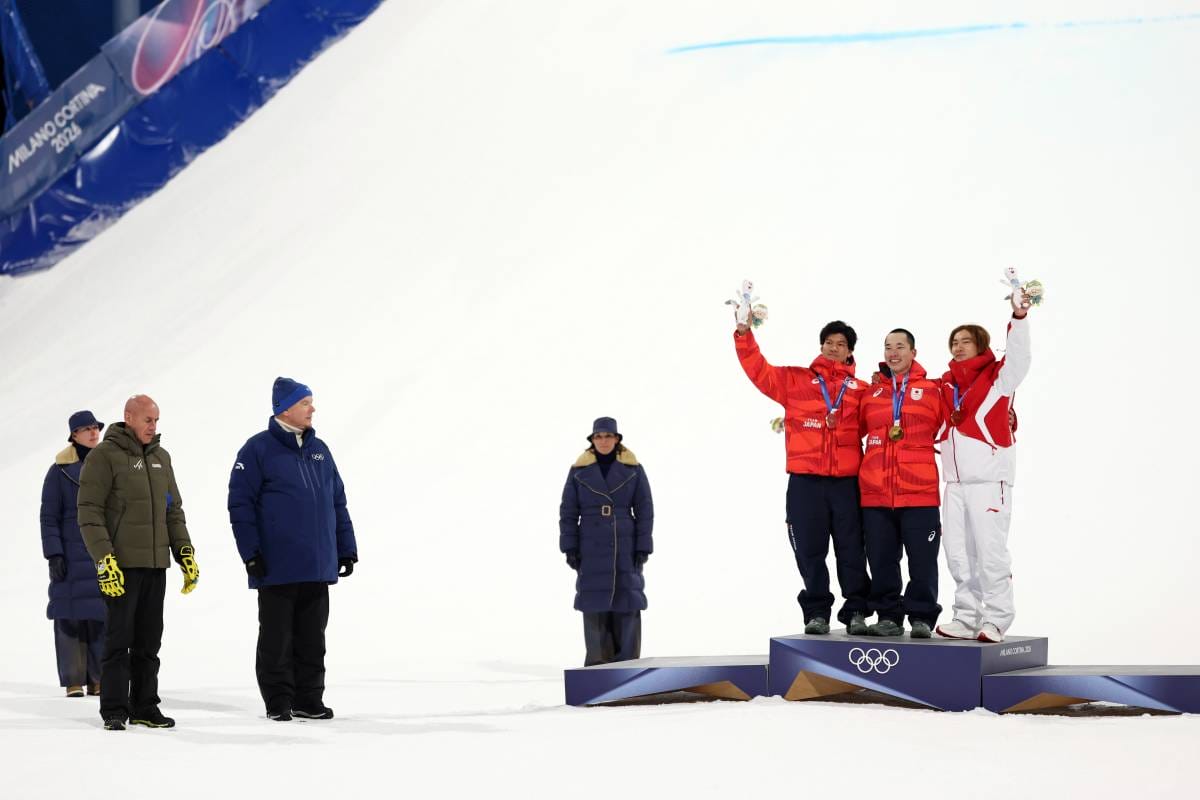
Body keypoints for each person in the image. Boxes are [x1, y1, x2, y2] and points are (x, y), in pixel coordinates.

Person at [228, 377, 358, 722]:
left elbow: (337, 502)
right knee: (277, 639)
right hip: (277, 565)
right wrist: (250, 553)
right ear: (284, 408)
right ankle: (278, 700)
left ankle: (309, 699)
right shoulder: (257, 450)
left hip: (317, 564)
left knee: (313, 639)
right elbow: (239, 505)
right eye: (305, 403)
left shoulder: (320, 450)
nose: (312, 408)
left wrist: (346, 548)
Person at [735, 319, 871, 635]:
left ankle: (856, 611)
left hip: (847, 483)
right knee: (809, 551)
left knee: (852, 550)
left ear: (850, 351)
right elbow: (759, 370)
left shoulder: (862, 391)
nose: (834, 348)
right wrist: (744, 335)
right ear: (821, 346)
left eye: (841, 344)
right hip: (805, 482)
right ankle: (817, 612)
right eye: (829, 342)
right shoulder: (795, 380)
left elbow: (882, 418)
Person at [78, 395, 199, 730]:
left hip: (155, 564)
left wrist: (184, 551)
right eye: (148, 419)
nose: (153, 426)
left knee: (149, 641)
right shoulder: (105, 456)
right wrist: (104, 559)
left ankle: (145, 706)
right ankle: (115, 709)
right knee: (119, 640)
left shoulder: (162, 458)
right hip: (121, 567)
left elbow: (172, 510)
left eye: (156, 420)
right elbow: (89, 511)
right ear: (128, 417)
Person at [935, 289, 1031, 643]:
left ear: (981, 345)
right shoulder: (945, 384)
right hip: (955, 484)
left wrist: (1019, 319)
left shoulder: (999, 377)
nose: (958, 347)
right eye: (954, 342)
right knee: (959, 555)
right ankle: (965, 616)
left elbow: (1020, 356)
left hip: (990, 482)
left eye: (965, 342)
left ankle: (996, 618)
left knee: (990, 553)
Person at [858, 330, 945, 637]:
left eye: (900, 347)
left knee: (922, 561)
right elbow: (846, 429)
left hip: (919, 492)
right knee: (881, 560)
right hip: (876, 494)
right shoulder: (872, 393)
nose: (893, 352)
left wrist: (1008, 417)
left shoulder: (933, 390)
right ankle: (888, 616)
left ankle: (921, 616)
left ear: (913, 352)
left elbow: (955, 423)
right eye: (887, 347)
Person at [558, 417, 654, 665]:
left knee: (627, 600)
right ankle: (597, 668)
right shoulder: (578, 471)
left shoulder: (633, 469)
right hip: (590, 543)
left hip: (625, 544)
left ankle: (628, 666)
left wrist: (643, 545)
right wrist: (569, 546)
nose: (603, 441)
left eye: (608, 436)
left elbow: (645, 509)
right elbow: (568, 511)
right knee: (594, 603)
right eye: (598, 436)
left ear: (617, 439)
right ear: (592, 440)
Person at [40, 410, 107, 697]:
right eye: (86, 429)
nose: (93, 433)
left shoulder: (107, 465)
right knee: (68, 616)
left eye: (95, 427)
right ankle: (73, 680)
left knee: (102, 616)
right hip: (70, 553)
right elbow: (48, 517)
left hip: (100, 550)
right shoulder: (59, 472)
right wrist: (54, 554)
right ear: (74, 435)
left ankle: (100, 678)